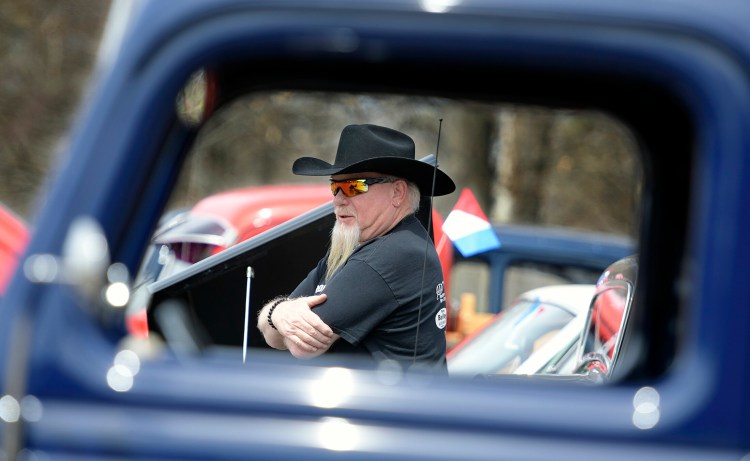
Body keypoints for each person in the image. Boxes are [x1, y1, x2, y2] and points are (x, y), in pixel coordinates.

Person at [256, 123, 456, 372]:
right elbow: (274, 335)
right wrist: (280, 312)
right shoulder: (357, 248)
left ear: (397, 192)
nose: (339, 199)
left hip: (394, 407)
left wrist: (279, 314)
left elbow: (302, 346)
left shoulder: (391, 255)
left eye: (354, 186)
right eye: (334, 187)